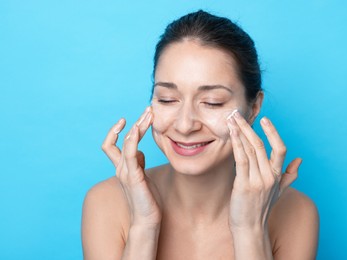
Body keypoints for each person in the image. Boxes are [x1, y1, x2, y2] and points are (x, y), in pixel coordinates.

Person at [82, 10, 319, 260]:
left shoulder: (296, 212)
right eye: (167, 99)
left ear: (254, 108)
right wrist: (144, 225)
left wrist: (250, 230)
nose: (185, 125)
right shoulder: (106, 203)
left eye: (212, 102)